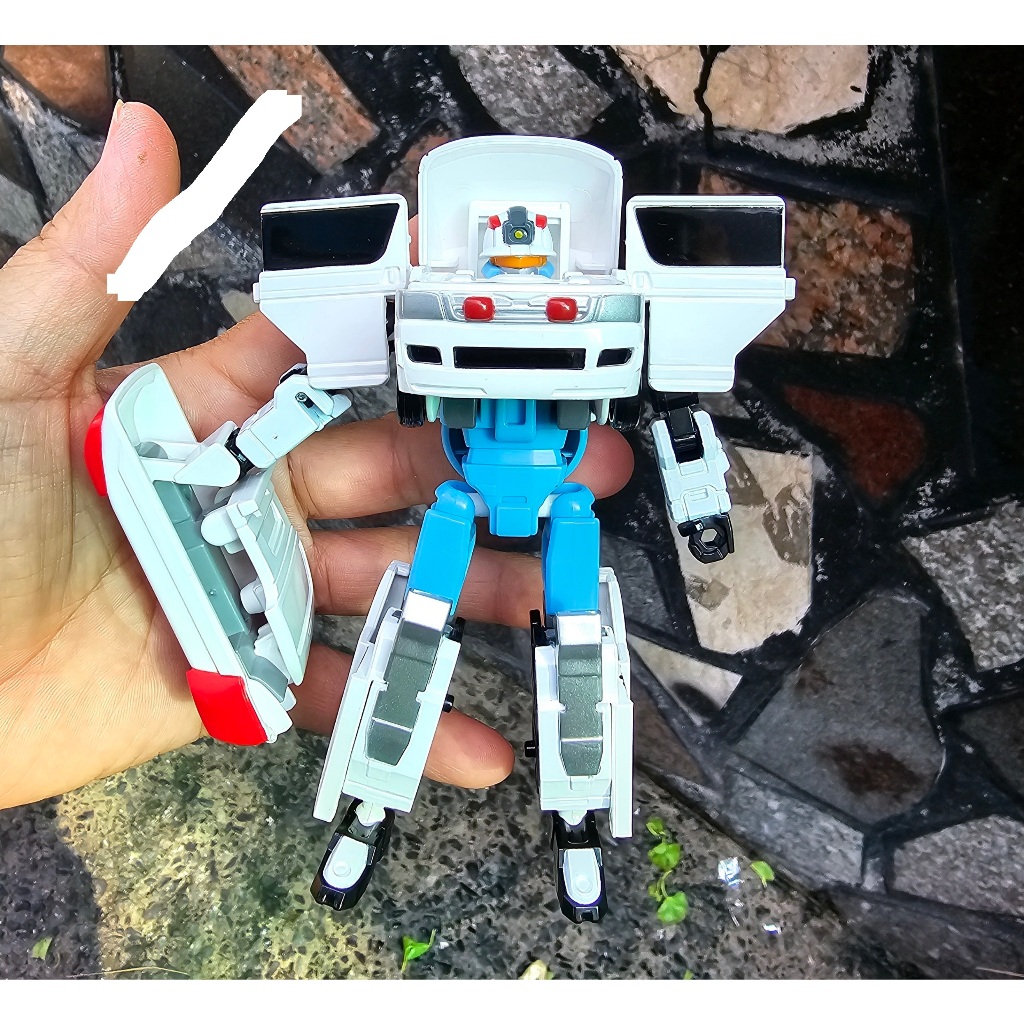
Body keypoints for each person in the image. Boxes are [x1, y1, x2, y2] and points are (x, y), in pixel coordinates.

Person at [0, 101, 633, 811]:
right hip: (480, 487)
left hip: (537, 486)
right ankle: (372, 796)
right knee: (419, 622)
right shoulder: (449, 314)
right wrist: (276, 422)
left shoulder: (593, 315)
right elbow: (324, 380)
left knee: (575, 627)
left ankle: (579, 795)